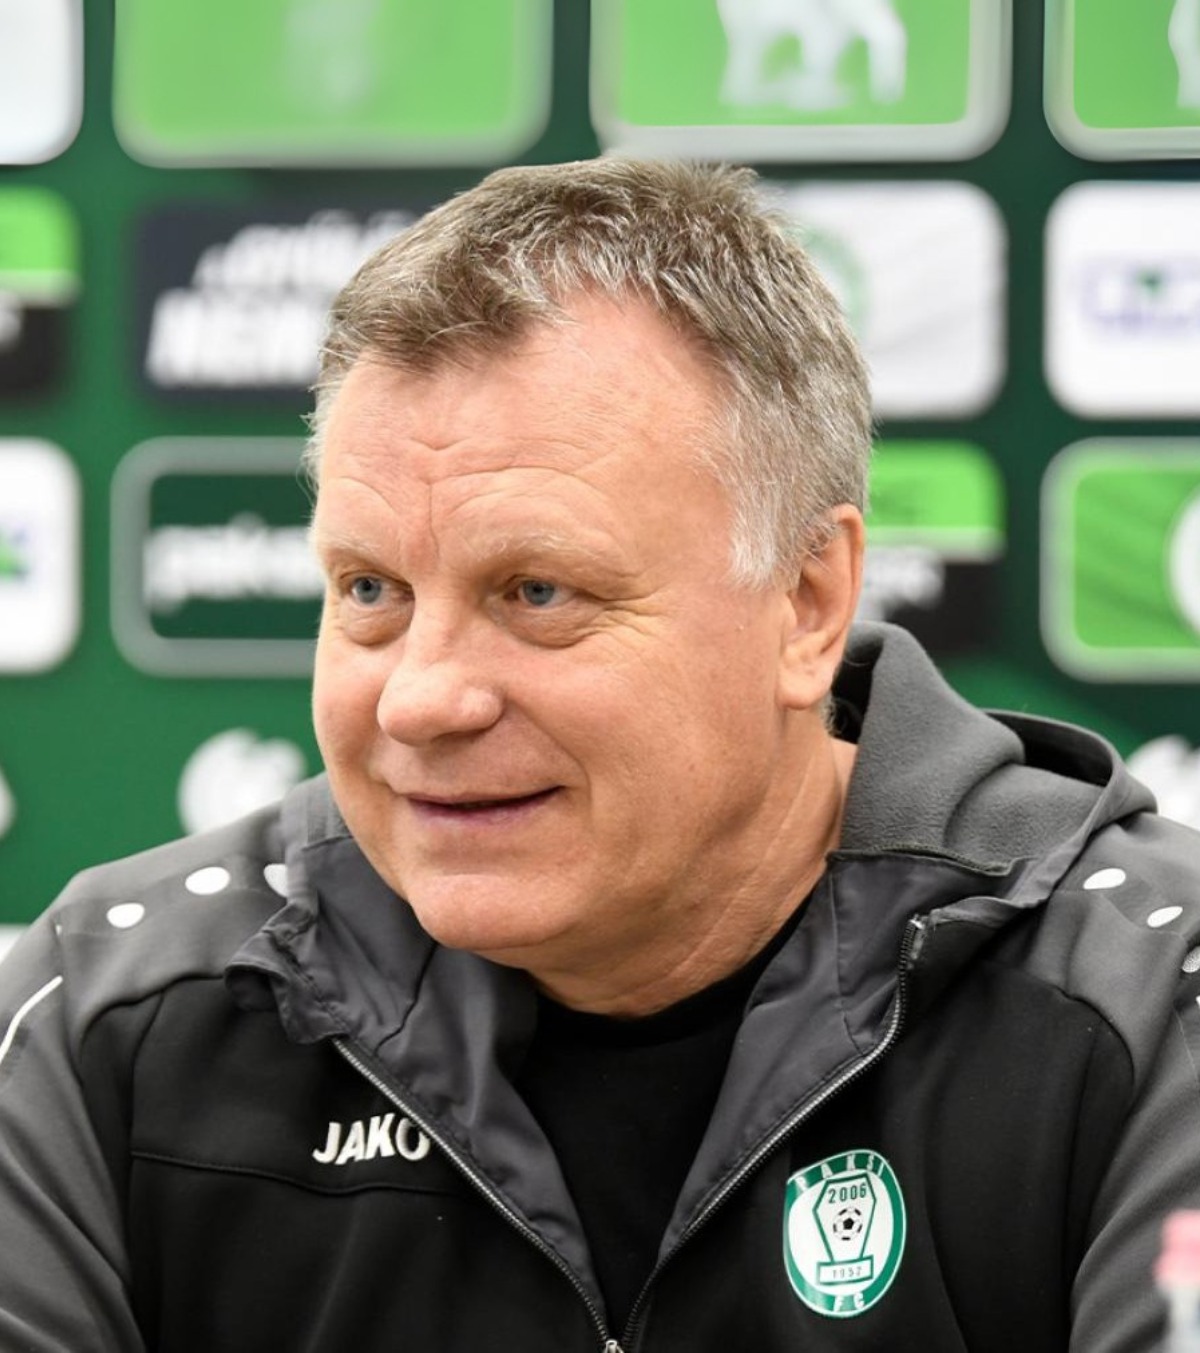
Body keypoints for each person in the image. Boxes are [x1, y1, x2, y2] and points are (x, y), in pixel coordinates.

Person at [1, 158, 1199, 1353]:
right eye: (369, 590)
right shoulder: (109, 1015)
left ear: (805, 603)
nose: (421, 700)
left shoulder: (1151, 1006)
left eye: (537, 591)